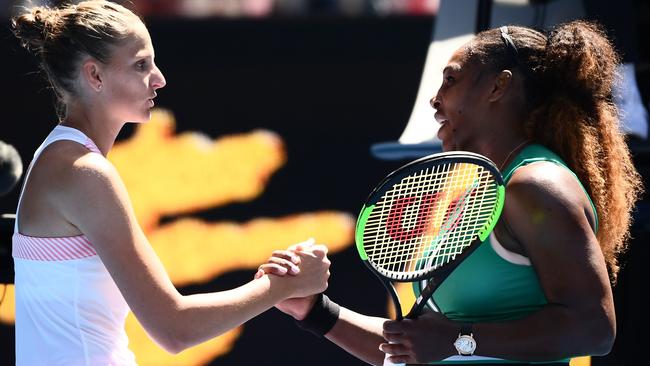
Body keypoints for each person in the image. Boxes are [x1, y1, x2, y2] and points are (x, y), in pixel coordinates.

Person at [259, 20, 643, 365]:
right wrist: (316, 312)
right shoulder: (480, 194)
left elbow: (594, 328)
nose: (435, 98)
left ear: (499, 86)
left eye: (451, 79)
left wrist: (461, 340)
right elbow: (423, 349)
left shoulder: (536, 185)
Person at [10, 1, 330, 364]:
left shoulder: (57, 159)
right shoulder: (84, 172)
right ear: (94, 76)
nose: (160, 78)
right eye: (141, 65)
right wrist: (286, 284)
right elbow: (175, 328)